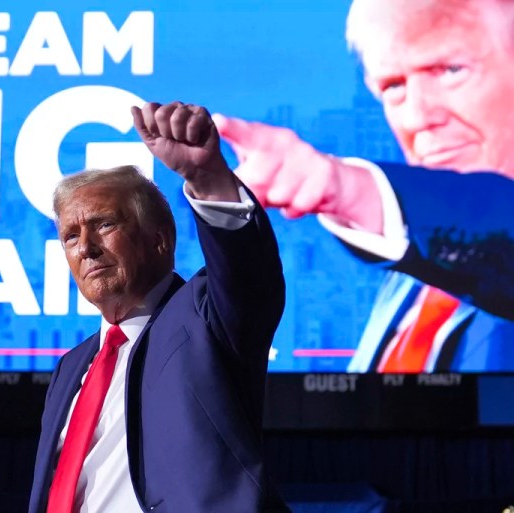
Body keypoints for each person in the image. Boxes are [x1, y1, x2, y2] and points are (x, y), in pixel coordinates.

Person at [214, 0, 514, 372]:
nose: (417, 117)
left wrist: (346, 187)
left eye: (452, 70)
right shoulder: (410, 272)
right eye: (393, 86)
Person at [28, 102, 287, 513]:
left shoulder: (205, 317)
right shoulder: (71, 367)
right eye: (70, 237)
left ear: (159, 240)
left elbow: (249, 276)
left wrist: (209, 179)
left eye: (104, 225)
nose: (87, 249)